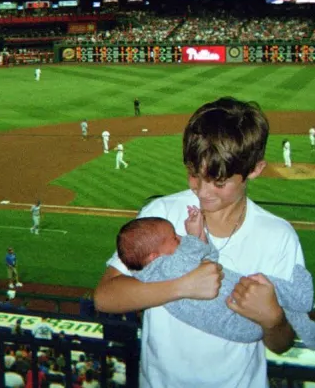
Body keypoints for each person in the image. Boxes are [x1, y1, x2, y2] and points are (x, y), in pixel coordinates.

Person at [94, 96, 302, 388]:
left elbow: (282, 343)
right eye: (194, 175)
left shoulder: (278, 236)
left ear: (254, 169)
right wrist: (182, 286)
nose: (202, 192)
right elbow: (105, 296)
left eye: (219, 182)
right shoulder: (161, 214)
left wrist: (273, 319)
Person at [117, 214, 315, 349]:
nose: (180, 238)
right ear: (153, 257)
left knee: (283, 307)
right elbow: (194, 255)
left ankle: (314, 335)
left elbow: (210, 259)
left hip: (242, 324)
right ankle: (302, 297)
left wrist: (200, 239)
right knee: (262, 282)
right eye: (174, 238)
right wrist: (194, 235)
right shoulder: (165, 267)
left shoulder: (150, 273)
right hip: (236, 316)